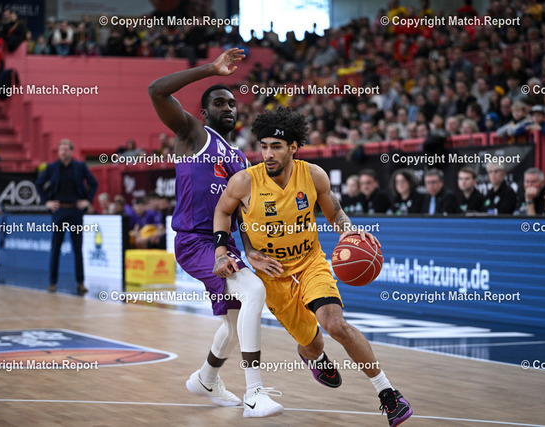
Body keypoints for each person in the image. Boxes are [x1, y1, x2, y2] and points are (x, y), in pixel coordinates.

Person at [213, 106, 412, 427]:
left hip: (310, 263)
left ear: (293, 147)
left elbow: (335, 213)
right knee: (312, 342)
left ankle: (388, 393)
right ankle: (314, 357)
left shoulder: (313, 175)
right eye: (263, 146)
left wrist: (348, 231)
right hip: (273, 275)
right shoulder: (244, 181)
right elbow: (223, 212)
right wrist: (222, 251)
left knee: (335, 324)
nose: (268, 154)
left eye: (276, 147)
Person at [148, 48, 282, 417]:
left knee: (234, 321)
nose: (228, 107)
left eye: (232, 103)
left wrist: (251, 250)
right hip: (194, 241)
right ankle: (254, 393)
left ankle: (206, 379)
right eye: (219, 103)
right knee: (254, 291)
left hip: (225, 243)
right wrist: (210, 68)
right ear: (204, 113)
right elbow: (156, 89)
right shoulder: (194, 135)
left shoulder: (240, 159)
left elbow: (240, 213)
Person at [35, 139, 98, 296]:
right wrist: (46, 202)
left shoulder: (80, 166)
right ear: (58, 152)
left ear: (71, 151)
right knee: (56, 247)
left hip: (75, 210)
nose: (63, 152)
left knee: (78, 248)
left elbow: (94, 183)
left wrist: (88, 200)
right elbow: (38, 184)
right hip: (59, 210)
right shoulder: (52, 167)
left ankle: (80, 282)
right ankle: (53, 282)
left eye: (66, 149)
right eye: (61, 149)